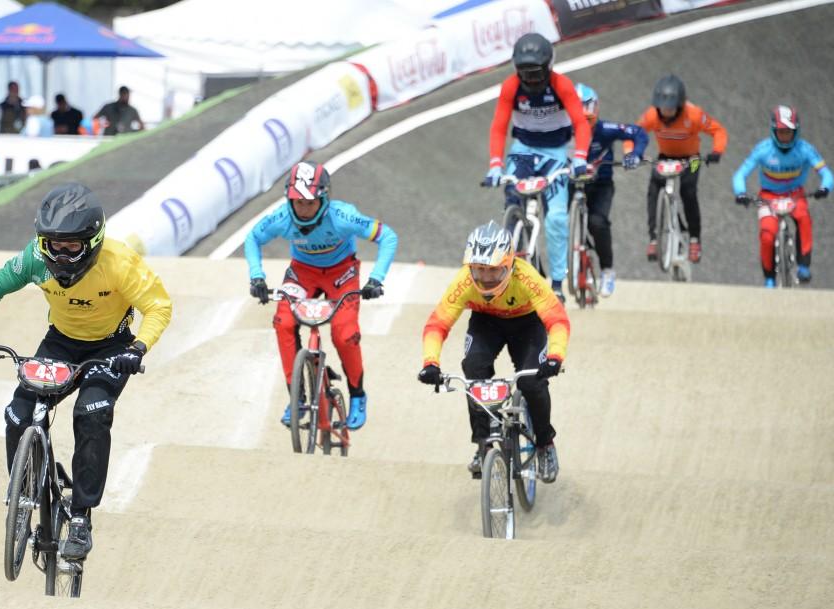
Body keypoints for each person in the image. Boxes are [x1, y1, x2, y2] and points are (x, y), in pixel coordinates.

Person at [0, 183, 172, 560]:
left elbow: (158, 306)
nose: (60, 255)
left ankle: (80, 516)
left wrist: (137, 348)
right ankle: (25, 493)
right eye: (53, 245)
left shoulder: (119, 263)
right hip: (60, 344)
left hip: (112, 348)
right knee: (17, 415)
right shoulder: (35, 258)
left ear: (93, 242)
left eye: (71, 246)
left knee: (91, 414)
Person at [245, 161, 398, 430]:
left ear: (324, 199)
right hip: (303, 273)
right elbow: (252, 239)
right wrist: (257, 276)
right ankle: (297, 398)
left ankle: (358, 395)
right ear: (289, 200)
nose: (304, 209)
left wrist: (376, 279)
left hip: (342, 272)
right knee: (283, 323)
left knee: (344, 334)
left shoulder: (343, 216)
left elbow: (388, 236)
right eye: (298, 203)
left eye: (310, 203)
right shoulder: (281, 218)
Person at [418, 221, 570, 482]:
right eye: (479, 270)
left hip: (527, 325)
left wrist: (555, 357)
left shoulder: (527, 278)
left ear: (509, 265)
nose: (486, 278)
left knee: (531, 382)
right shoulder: (464, 281)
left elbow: (557, 320)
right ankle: (484, 444)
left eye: (493, 271)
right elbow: (437, 325)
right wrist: (430, 363)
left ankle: (545, 443)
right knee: (474, 371)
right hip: (486, 323)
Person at [484, 32, 591, 302]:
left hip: (555, 153)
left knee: (556, 218)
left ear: (548, 67)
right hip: (522, 150)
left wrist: (579, 157)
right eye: (525, 73)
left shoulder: (562, 85)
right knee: (511, 200)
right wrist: (495, 164)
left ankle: (557, 283)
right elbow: (498, 127)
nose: (531, 80)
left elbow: (581, 123)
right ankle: (510, 258)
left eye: (536, 73)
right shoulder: (510, 87)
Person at [732, 105, 834, 287]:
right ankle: (769, 278)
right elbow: (740, 174)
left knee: (804, 219)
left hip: (795, 195)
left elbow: (826, 173)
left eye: (789, 132)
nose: (785, 136)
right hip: (768, 196)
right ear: (773, 131)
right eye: (781, 132)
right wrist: (740, 193)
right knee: (767, 235)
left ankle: (804, 266)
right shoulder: (762, 150)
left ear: (796, 131)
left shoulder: (806, 149)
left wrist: (824, 188)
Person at [634, 74, 727, 264]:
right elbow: (634, 133)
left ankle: (694, 239)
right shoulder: (652, 115)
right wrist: (633, 154)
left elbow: (718, 130)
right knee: (653, 189)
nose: (666, 113)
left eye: (671, 108)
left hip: (692, 159)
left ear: (680, 105)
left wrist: (717, 151)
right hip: (665, 157)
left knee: (688, 191)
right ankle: (654, 238)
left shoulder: (694, 114)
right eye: (663, 108)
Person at [572, 83, 648, 297]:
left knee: (597, 222)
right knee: (558, 220)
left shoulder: (606, 129)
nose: (583, 126)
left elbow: (639, 133)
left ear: (596, 112)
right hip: (571, 183)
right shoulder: (561, 131)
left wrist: (635, 154)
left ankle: (607, 270)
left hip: (601, 185)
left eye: (588, 120)